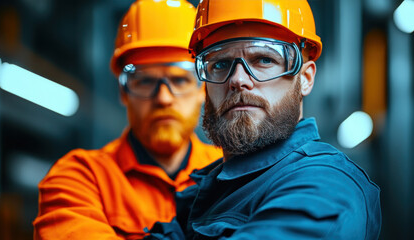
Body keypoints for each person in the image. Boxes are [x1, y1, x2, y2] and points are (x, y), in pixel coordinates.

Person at [144, 0, 382, 239]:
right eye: (220, 63)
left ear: (306, 78)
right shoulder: (208, 192)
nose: (237, 79)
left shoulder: (326, 186)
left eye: (264, 59)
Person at [33, 0, 222, 239]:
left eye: (179, 80)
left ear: (201, 89)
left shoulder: (231, 175)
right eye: (144, 81)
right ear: (123, 91)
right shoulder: (77, 179)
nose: (163, 98)